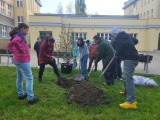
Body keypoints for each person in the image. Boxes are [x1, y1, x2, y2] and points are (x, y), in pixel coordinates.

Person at [7, 23, 39, 105]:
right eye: (27, 30)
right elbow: (11, 44)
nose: (27, 32)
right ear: (22, 29)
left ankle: (21, 95)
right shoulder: (18, 37)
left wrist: (16, 51)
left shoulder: (19, 36)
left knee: (20, 78)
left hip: (18, 60)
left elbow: (10, 44)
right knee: (29, 79)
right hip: (22, 61)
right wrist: (19, 51)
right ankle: (30, 99)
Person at [109, 27, 139, 109]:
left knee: (129, 78)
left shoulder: (119, 40)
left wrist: (117, 53)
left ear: (115, 34)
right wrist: (130, 45)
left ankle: (131, 102)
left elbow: (118, 51)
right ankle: (127, 92)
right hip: (133, 58)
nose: (112, 38)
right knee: (126, 76)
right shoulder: (127, 36)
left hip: (130, 59)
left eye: (112, 36)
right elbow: (136, 41)